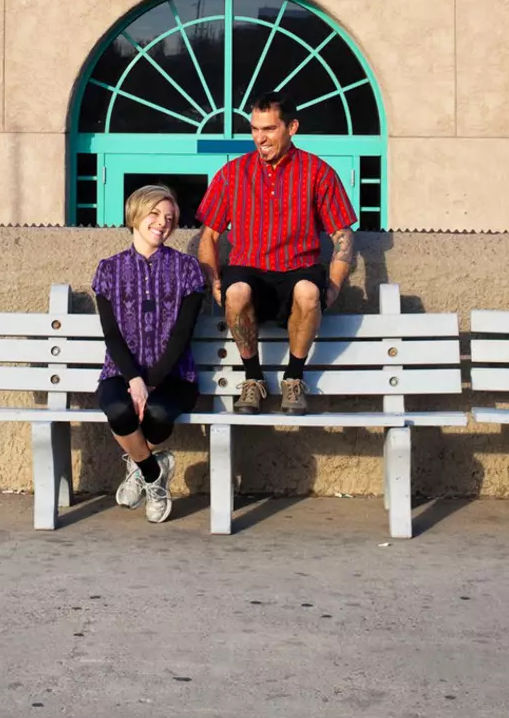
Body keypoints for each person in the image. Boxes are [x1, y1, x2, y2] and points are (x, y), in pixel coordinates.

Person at [196, 93, 357, 415]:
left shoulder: (318, 172)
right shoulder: (232, 174)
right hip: (248, 267)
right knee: (236, 292)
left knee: (310, 293)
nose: (260, 137)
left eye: (269, 129)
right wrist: (214, 280)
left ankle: (294, 379)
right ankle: (253, 380)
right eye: (255, 129)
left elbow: (342, 235)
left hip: (299, 267)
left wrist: (336, 284)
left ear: (292, 127)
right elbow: (209, 236)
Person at [93, 184, 207, 524]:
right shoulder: (108, 270)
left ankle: (137, 464)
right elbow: (112, 335)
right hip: (121, 371)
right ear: (136, 214)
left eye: (169, 217)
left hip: (175, 376)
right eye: (155, 213)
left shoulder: (188, 270)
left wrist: (151, 383)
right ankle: (154, 472)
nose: (163, 222)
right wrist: (134, 379)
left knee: (155, 414)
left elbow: (182, 334)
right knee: (117, 407)